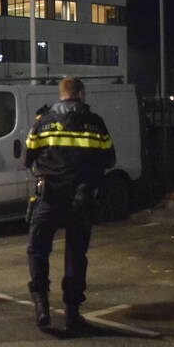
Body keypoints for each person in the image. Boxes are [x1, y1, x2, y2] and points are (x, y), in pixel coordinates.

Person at [24, 77, 115, 331]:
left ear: (61, 94)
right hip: (81, 200)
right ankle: (72, 313)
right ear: (81, 94)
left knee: (38, 250)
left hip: (48, 198)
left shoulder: (43, 122)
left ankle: (41, 306)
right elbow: (110, 159)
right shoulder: (96, 123)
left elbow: (28, 158)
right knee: (76, 254)